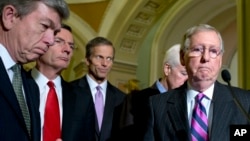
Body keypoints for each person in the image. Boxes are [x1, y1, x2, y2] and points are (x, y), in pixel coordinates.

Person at [143, 24, 250, 141]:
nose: (206, 58)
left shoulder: (244, 103)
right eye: (198, 50)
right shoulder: (157, 106)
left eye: (213, 51)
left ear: (220, 60)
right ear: (183, 57)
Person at [0, 1, 69, 141]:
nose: (50, 40)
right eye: (44, 26)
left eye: (54, 32)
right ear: (10, 16)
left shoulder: (30, 85)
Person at [31, 24, 95, 141]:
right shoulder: (16, 86)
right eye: (59, 41)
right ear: (40, 44)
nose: (67, 50)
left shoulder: (83, 98)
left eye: (71, 46)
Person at [122, 44, 188, 140]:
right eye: (184, 73)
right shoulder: (136, 100)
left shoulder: (189, 101)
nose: (188, 80)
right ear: (167, 69)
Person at [70, 36, 126, 141]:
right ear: (87, 60)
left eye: (109, 58)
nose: (105, 64)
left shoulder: (121, 98)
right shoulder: (69, 91)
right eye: (99, 57)